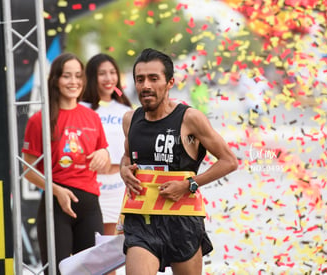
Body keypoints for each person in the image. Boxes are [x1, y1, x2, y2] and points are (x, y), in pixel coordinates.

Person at [120, 48, 238, 275]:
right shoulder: (130, 119)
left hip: (182, 220)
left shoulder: (189, 118)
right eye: (140, 79)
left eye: (154, 79)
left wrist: (189, 184)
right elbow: (127, 157)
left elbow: (229, 161)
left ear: (170, 82)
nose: (146, 86)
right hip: (141, 219)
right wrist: (124, 170)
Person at [22, 52, 110, 274]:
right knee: (56, 271)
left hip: (90, 206)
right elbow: (28, 170)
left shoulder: (92, 117)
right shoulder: (39, 120)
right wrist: (57, 191)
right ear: (56, 80)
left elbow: (105, 160)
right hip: (55, 206)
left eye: (78, 76)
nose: (74, 82)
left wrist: (104, 154)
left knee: (92, 271)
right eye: (67, 76)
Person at [80, 53, 132, 238]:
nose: (109, 78)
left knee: (110, 251)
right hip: (91, 185)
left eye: (112, 72)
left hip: (119, 186)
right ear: (92, 77)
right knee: (88, 248)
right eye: (102, 73)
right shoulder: (81, 108)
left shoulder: (126, 110)